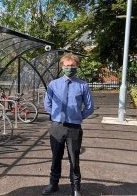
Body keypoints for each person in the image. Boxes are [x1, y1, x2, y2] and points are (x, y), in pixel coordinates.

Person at [43, 53, 94, 196]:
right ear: (62, 66)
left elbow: (89, 107)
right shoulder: (53, 84)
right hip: (57, 127)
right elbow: (47, 104)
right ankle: (53, 184)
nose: (69, 68)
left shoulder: (83, 85)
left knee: (74, 159)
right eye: (66, 65)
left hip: (74, 128)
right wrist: (55, 116)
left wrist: (77, 117)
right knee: (56, 157)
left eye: (72, 65)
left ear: (77, 66)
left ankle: (76, 188)